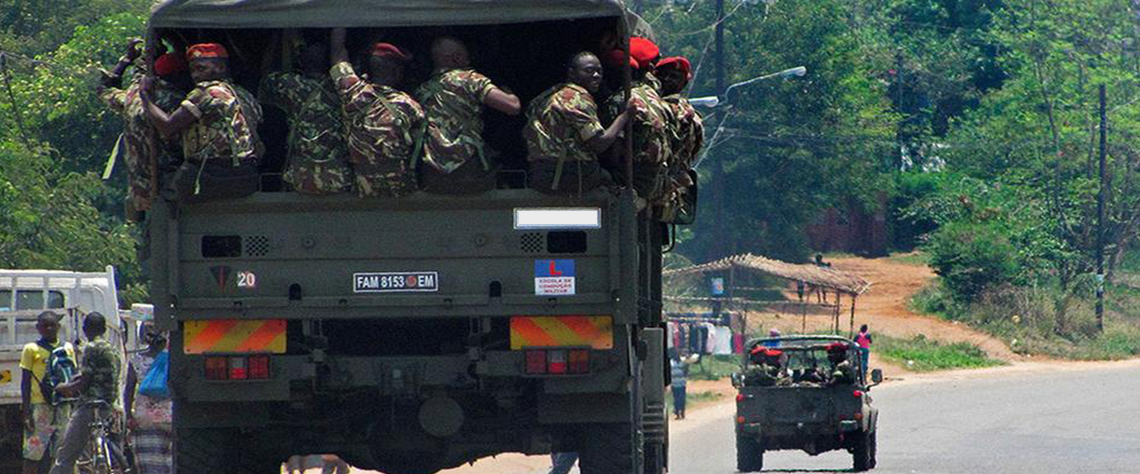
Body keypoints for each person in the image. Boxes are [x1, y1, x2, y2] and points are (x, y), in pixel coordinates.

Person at [99, 39, 192, 220]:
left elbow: (104, 89)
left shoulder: (133, 96)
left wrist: (126, 60)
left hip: (141, 192)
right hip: (170, 187)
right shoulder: (179, 101)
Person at [329, 28, 428, 197]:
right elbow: (420, 146)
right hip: (400, 187)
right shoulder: (409, 105)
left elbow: (338, 55)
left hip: (361, 186)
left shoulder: (353, 92)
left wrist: (340, 18)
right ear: (397, 71)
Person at [416, 36, 520, 193]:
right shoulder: (470, 80)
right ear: (457, 58)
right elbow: (512, 107)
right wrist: (509, 93)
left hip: (432, 172)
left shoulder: (422, 91)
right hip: (468, 168)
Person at [140, 43, 262, 173]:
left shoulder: (205, 92)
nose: (196, 75)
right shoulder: (243, 94)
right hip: (247, 169)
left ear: (220, 67)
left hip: (213, 171)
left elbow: (168, 126)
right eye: (192, 70)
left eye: (201, 69)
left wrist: (144, 96)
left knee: (172, 181)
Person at [524, 51, 633, 194]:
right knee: (614, 182)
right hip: (569, 175)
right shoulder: (577, 98)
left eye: (599, 72)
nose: (596, 76)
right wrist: (624, 116)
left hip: (539, 175)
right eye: (589, 71)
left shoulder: (547, 96)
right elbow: (599, 143)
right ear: (572, 73)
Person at [259, 40, 353, 195]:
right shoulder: (344, 88)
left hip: (300, 175)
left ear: (302, 62)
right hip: (338, 175)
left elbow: (265, 74)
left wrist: (276, 39)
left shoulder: (291, 85)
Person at [49, 312, 123, 474]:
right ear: (104, 329)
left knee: (67, 453)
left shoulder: (91, 347)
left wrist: (65, 388)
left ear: (85, 329)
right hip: (109, 404)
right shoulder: (113, 349)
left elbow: (85, 381)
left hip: (91, 405)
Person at [600, 37, 673, 201]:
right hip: (655, 181)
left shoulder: (620, 101)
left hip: (632, 181)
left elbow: (614, 150)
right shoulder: (654, 97)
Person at [20, 311, 76, 474]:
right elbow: (25, 381)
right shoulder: (31, 349)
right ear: (38, 328)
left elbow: (72, 374)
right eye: (45, 326)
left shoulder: (68, 348)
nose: (49, 329)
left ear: (59, 327)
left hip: (62, 404)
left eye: (53, 325)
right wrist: (26, 411)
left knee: (61, 452)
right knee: (33, 452)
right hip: (40, 405)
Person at [654, 56, 703, 220]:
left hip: (665, 184)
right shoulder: (688, 111)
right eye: (663, 75)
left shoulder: (673, 112)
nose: (667, 80)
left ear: (683, 83)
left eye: (674, 77)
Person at [124, 321, 172, 474]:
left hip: (145, 420)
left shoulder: (136, 360)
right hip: (171, 416)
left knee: (149, 464)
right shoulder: (173, 359)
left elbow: (129, 390)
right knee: (171, 461)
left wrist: (129, 416)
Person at [670, 353, 690, 419]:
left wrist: (687, 362)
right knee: (676, 399)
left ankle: (682, 412)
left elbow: (686, 371)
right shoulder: (671, 363)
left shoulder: (683, 363)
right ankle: (677, 413)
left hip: (681, 384)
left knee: (681, 399)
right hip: (674, 384)